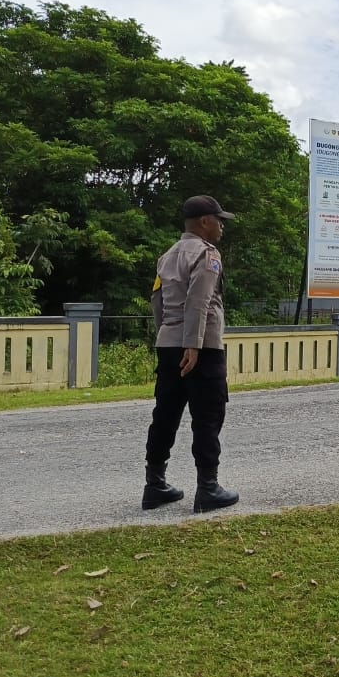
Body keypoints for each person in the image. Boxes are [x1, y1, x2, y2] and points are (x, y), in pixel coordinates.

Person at [142, 195, 240, 513]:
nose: (222, 225)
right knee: (208, 417)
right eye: (218, 219)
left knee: (165, 415)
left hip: (169, 345)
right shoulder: (207, 254)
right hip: (202, 349)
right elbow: (199, 300)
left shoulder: (167, 256)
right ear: (204, 222)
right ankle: (207, 489)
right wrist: (193, 345)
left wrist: (169, 336)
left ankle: (155, 485)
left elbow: (157, 301)